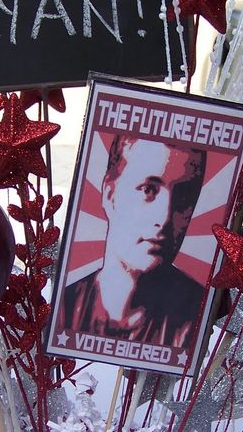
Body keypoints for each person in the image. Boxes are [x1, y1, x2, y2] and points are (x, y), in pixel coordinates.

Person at [61, 135, 207, 349]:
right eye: (149, 190)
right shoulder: (64, 308)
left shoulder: (196, 320)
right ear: (110, 195)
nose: (164, 218)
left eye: (183, 196)